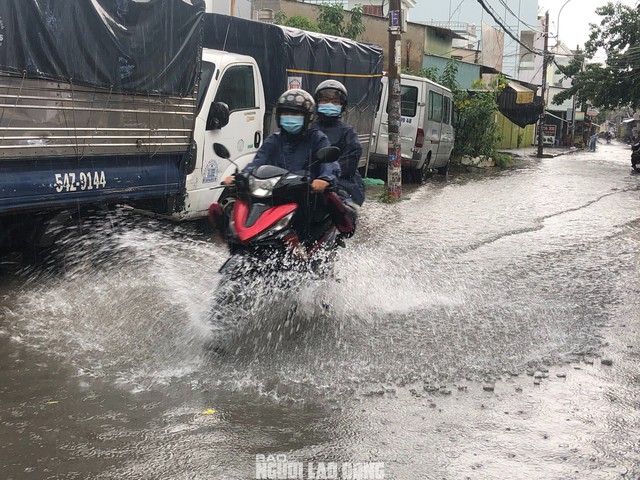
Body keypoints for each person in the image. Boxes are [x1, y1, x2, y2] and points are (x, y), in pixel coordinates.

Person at [221, 88, 355, 235]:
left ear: (307, 117)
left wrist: (324, 179)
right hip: (275, 193)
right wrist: (239, 177)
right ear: (279, 116)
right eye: (286, 113)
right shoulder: (274, 140)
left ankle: (306, 244)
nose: (291, 117)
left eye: (296, 114)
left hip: (306, 195)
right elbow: (257, 163)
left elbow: (329, 163)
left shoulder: (317, 138)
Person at [313, 80, 365, 207]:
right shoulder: (308, 130)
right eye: (324, 100)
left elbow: (349, 163)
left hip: (340, 183)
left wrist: (326, 177)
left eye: (335, 102)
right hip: (309, 182)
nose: (329, 104)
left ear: (343, 106)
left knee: (344, 212)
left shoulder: (348, 133)